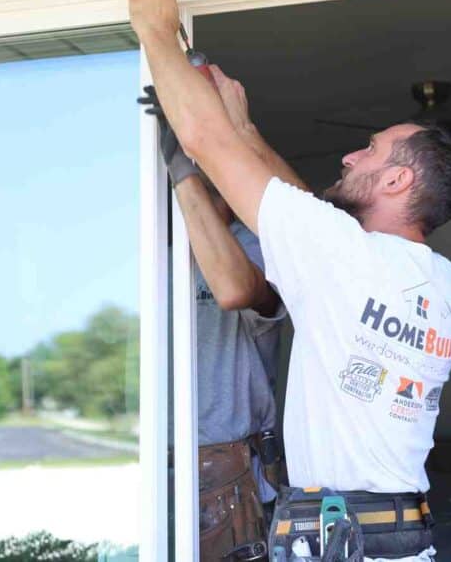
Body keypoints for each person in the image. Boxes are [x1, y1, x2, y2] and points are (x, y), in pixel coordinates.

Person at [127, 0, 451, 559]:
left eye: (369, 150)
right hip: (391, 534)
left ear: (396, 180)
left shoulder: (348, 257)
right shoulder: (441, 280)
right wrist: (244, 128)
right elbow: (314, 220)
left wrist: (157, 34)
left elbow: (203, 141)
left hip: (348, 539)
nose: (349, 154)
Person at [143, 87, 290, 560]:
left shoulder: (257, 247)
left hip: (226, 476)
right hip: (150, 467)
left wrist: (184, 160)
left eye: (205, 172)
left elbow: (239, 290)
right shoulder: (151, 257)